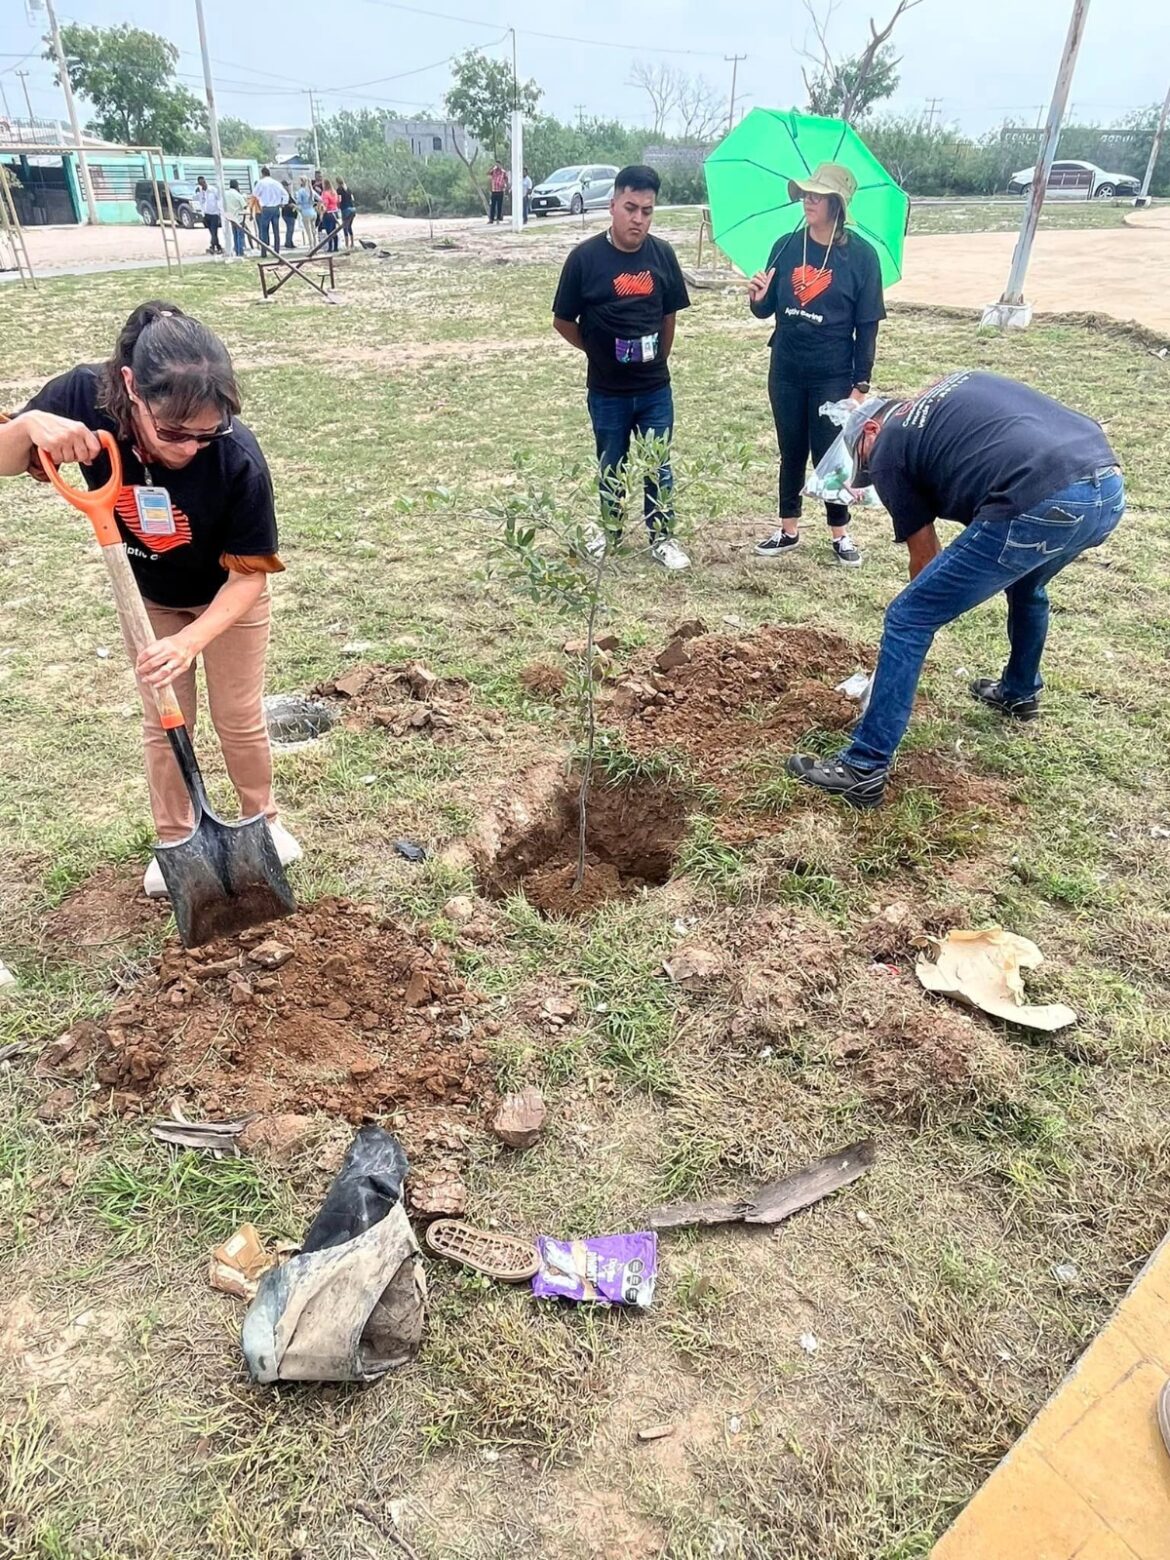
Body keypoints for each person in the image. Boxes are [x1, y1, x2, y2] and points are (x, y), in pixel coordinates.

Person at [0, 301, 302, 891]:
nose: (190, 448)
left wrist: (190, 641)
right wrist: (29, 427)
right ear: (132, 387)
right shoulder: (85, 395)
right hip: (151, 598)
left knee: (238, 718)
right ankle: (174, 840)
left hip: (224, 596)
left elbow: (249, 578)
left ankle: (263, 823)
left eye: (206, 433)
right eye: (172, 433)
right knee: (166, 720)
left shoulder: (238, 459)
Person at [785, 370, 1125, 807]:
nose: (872, 475)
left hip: (1042, 499)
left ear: (871, 429)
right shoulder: (947, 391)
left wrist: (920, 615)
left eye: (863, 461)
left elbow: (924, 559)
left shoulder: (889, 448)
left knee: (908, 617)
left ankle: (864, 767)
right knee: (1028, 585)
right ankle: (1019, 693)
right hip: (1106, 488)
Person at [552, 163, 691, 572]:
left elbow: (669, 315)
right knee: (612, 463)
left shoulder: (662, 255)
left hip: (654, 389)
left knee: (658, 466)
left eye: (647, 211)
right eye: (630, 208)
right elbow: (563, 321)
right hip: (607, 391)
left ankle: (662, 537)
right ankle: (611, 533)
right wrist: (596, 351)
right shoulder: (584, 259)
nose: (638, 218)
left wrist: (658, 359)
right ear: (612, 205)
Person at [748, 162, 885, 568]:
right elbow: (765, 309)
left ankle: (840, 534)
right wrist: (757, 297)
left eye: (817, 195)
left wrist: (860, 384)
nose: (807, 200)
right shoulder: (786, 245)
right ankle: (788, 529)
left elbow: (868, 324)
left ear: (837, 204)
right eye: (806, 193)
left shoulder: (860, 256)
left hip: (833, 371)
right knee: (790, 448)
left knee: (831, 453)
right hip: (787, 366)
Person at [253, 165, 287, 253]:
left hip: (266, 208)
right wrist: (283, 203)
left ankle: (264, 251)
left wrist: (261, 197)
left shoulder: (261, 183)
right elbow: (285, 194)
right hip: (275, 208)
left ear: (262, 173)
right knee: (276, 230)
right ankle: (277, 250)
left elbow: (255, 194)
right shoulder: (276, 183)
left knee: (264, 230)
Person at [195, 177, 223, 255]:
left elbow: (219, 200)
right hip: (206, 214)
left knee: (214, 231)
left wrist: (220, 212)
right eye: (201, 184)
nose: (203, 185)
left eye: (203, 182)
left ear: (205, 181)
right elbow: (201, 203)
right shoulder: (200, 192)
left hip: (214, 213)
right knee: (212, 232)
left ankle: (212, 246)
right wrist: (202, 213)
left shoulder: (213, 190)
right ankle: (218, 247)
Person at [225, 178, 247, 257]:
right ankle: (240, 252)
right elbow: (244, 206)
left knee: (235, 235)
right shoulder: (238, 195)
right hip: (239, 218)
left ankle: (237, 251)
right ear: (237, 186)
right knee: (240, 235)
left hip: (230, 217)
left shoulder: (226, 194)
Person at [295, 176, 317, 248]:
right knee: (313, 230)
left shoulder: (300, 191)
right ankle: (315, 243)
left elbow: (298, 202)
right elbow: (319, 198)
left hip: (305, 212)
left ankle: (311, 246)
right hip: (313, 211)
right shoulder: (311, 191)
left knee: (308, 230)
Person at [318, 178, 340, 253]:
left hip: (327, 213)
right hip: (334, 212)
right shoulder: (334, 192)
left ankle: (330, 247)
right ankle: (336, 247)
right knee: (334, 230)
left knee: (329, 232)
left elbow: (325, 205)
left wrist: (321, 214)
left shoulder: (325, 193)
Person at [338, 178, 356, 249]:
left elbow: (339, 200)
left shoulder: (339, 190)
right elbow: (353, 199)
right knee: (349, 227)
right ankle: (352, 243)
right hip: (352, 209)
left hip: (345, 209)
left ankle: (346, 244)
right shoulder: (349, 189)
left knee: (345, 227)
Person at [281, 184, 298, 249]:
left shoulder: (288, 194)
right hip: (288, 214)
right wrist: (291, 205)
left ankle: (290, 242)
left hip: (291, 214)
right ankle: (288, 243)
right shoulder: (284, 195)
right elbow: (285, 204)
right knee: (290, 229)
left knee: (290, 229)